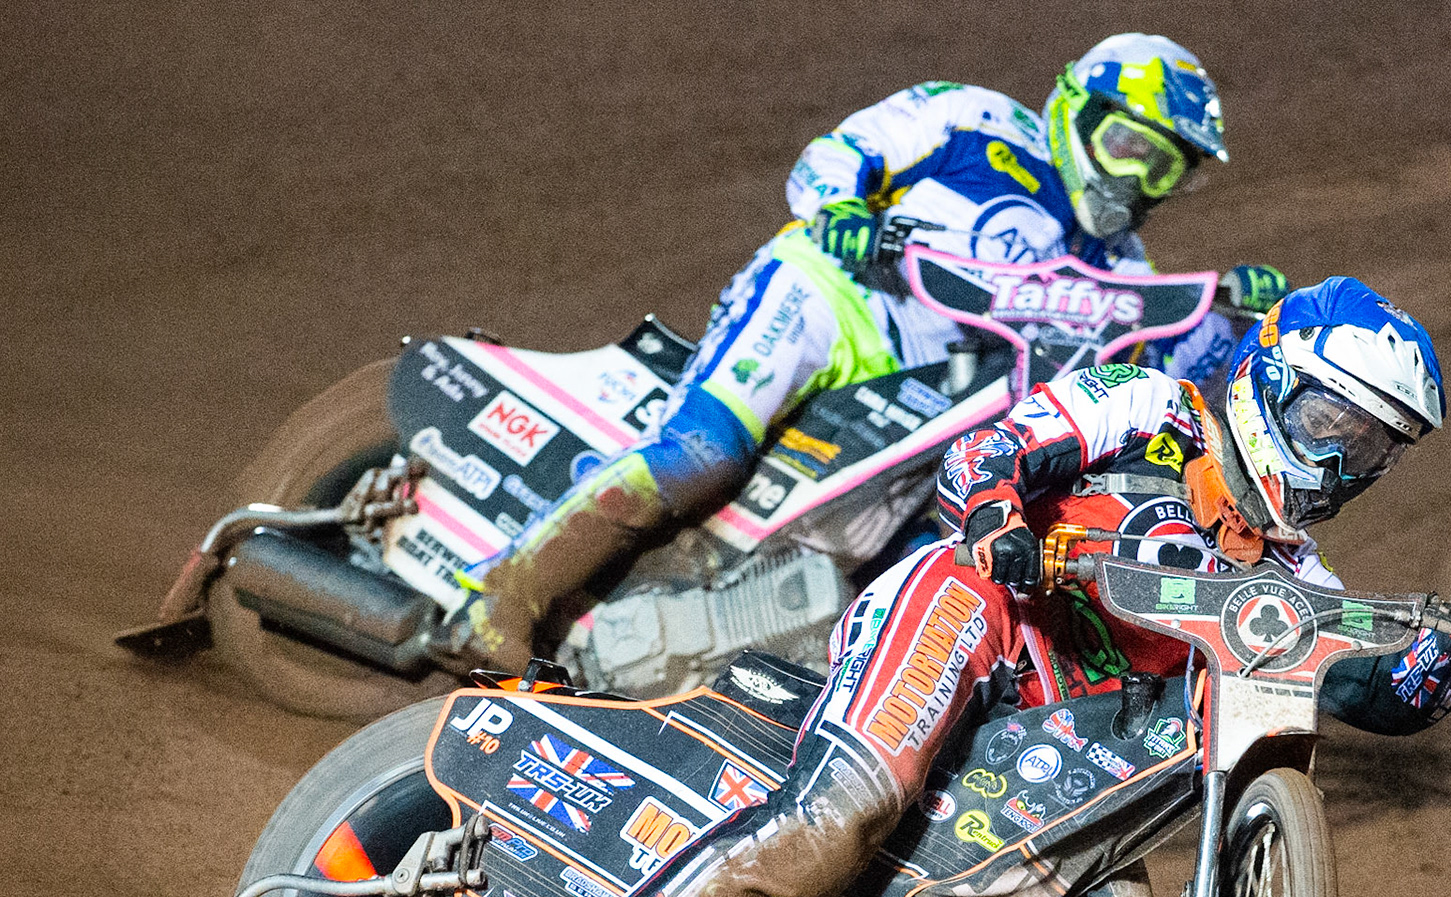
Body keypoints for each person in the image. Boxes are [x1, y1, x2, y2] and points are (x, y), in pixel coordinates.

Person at [506, 276, 1451, 897]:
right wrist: (1001, 521)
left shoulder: (1297, 582)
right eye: (1329, 424)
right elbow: (988, 451)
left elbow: (1381, 695)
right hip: (972, 611)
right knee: (841, 816)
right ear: (1269, 377)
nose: (1341, 464)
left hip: (1050, 740)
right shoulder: (1153, 407)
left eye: (1373, 449)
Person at [431, 34, 1290, 674]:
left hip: (935, 410)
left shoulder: (1126, 275)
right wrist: (841, 204)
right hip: (834, 301)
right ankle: (500, 592)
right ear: (1079, 109)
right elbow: (839, 154)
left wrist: (1250, 326)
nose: (1136, 180)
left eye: (1165, 170)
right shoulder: (975, 119)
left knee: (906, 573)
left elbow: (1169, 380)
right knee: (705, 450)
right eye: (1130, 147)